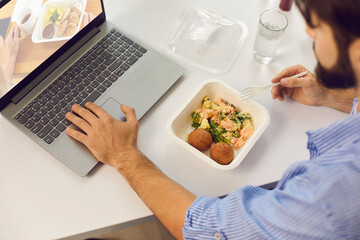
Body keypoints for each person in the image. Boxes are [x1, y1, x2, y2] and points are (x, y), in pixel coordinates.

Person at [65, 0, 360, 239]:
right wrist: (334, 95)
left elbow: (209, 229)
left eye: (318, 27)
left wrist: (123, 155)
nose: (309, 34)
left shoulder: (332, 194)